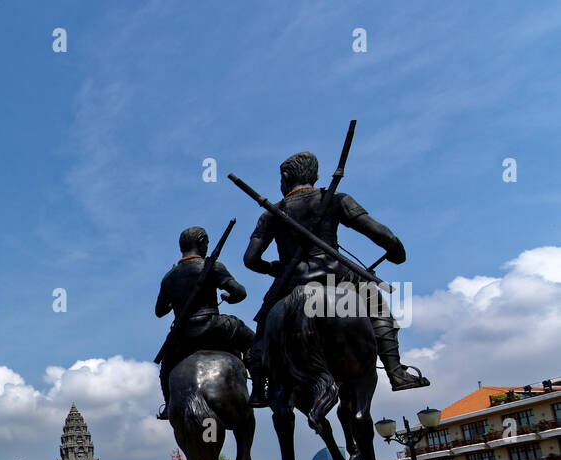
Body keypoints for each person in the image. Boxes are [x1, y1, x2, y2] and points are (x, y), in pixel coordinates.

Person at [243, 150, 428, 406]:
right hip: (336, 275)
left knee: (263, 327)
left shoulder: (271, 213)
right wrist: (395, 249)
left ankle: (258, 388)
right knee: (376, 305)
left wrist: (275, 268)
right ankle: (396, 372)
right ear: (315, 175)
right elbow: (380, 233)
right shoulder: (335, 199)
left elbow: (250, 260)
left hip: (291, 281)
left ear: (285, 177)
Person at [154, 226, 256, 419]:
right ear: (201, 242)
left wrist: (176, 301)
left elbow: (160, 311)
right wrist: (229, 297)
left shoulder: (169, 277)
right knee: (252, 341)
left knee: (166, 367)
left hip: (183, 334)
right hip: (214, 325)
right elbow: (240, 293)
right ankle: (259, 388)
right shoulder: (212, 266)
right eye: (206, 243)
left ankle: (168, 405)